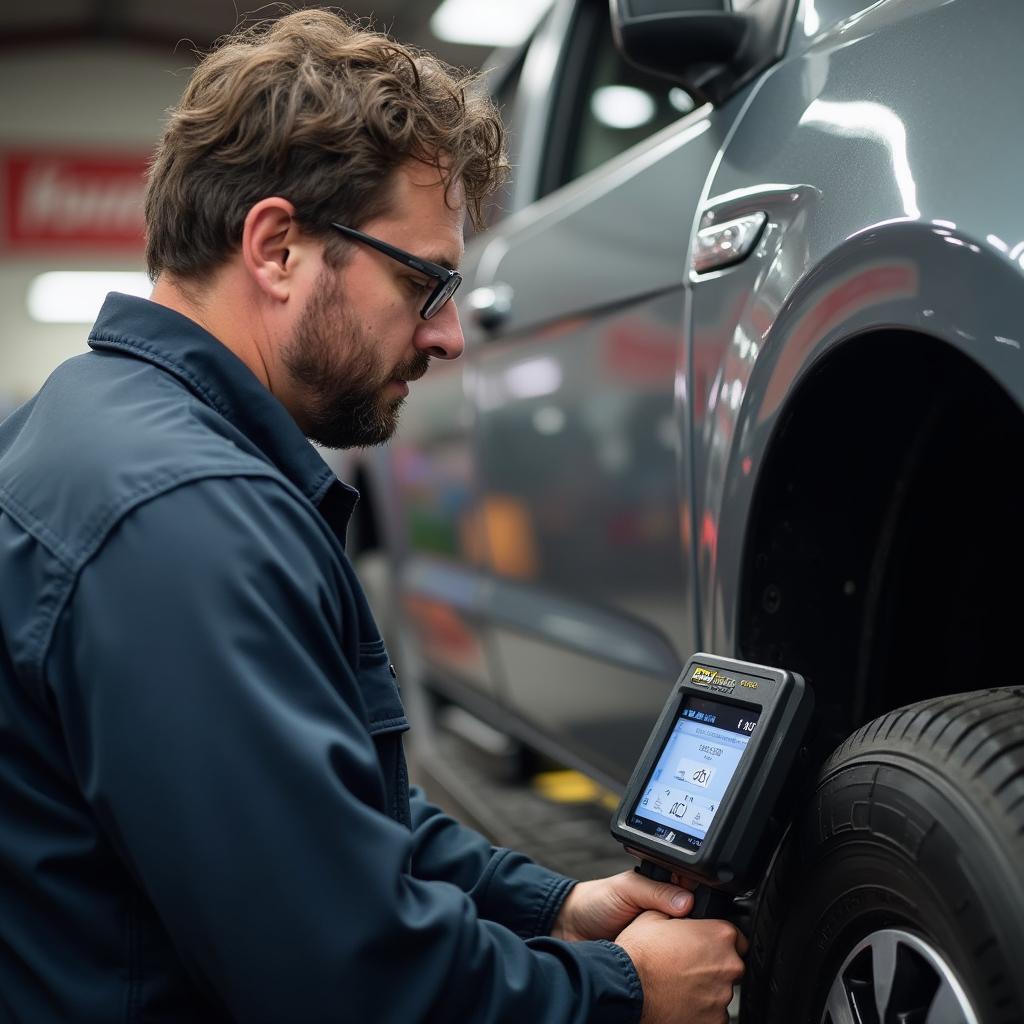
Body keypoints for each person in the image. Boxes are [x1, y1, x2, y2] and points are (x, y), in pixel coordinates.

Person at [0, 10, 745, 1023]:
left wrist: (554, 904)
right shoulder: (186, 521)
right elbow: (344, 982)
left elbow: (314, 806)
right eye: (423, 280)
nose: (446, 336)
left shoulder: (103, 425)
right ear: (275, 248)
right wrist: (621, 993)